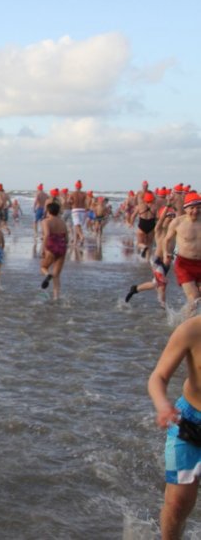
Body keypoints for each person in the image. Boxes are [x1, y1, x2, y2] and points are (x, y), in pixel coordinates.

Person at [148, 315, 201, 539]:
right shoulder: (192, 329)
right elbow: (158, 377)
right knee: (178, 503)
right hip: (190, 423)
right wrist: (163, 406)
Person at [126, 205, 177, 307]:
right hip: (156, 261)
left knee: (155, 284)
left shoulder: (174, 231)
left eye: (173, 216)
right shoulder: (158, 230)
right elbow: (161, 219)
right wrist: (167, 206)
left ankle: (135, 289)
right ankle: (163, 307)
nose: (171, 218)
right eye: (169, 216)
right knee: (162, 284)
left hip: (166, 263)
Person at [163, 192, 201, 316]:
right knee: (195, 298)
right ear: (186, 208)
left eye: (198, 207)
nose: (195, 211)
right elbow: (167, 239)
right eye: (192, 208)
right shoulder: (177, 223)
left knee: (198, 299)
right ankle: (185, 328)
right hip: (184, 264)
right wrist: (166, 254)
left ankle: (182, 318)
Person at [40, 201, 68, 300]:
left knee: (43, 267)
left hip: (51, 246)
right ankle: (56, 297)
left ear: (48, 211)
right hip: (62, 246)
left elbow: (47, 234)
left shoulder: (45, 221)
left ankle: (48, 275)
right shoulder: (62, 222)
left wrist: (43, 249)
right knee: (57, 275)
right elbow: (67, 238)